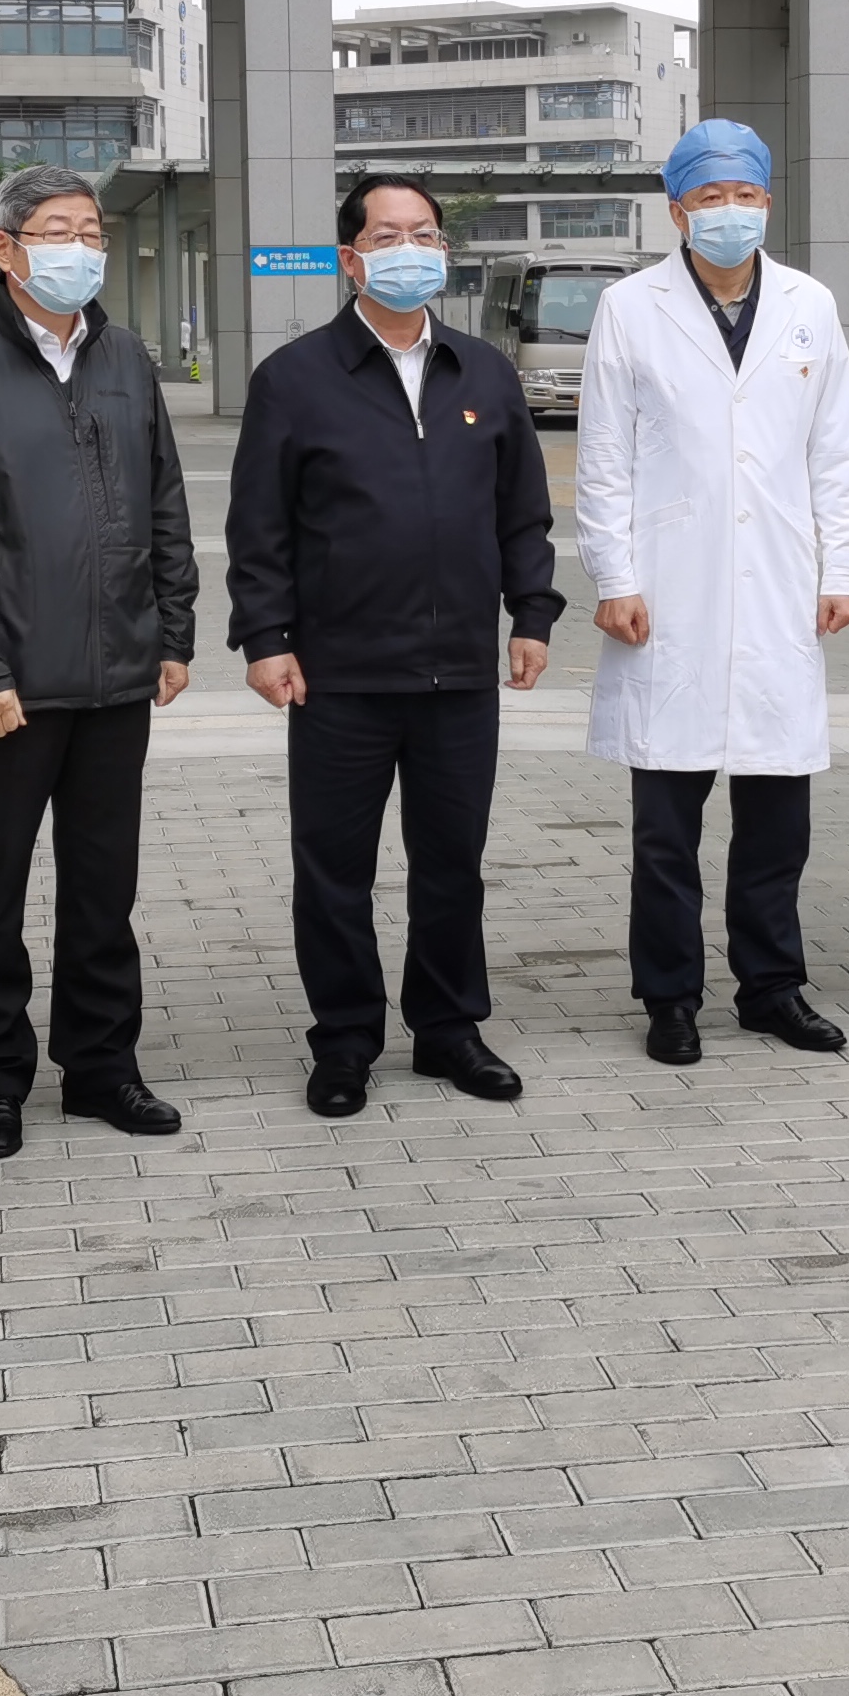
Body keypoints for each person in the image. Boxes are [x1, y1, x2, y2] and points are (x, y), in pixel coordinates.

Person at [224, 177, 563, 1115]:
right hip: (338, 675)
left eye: (424, 235)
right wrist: (265, 638)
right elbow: (260, 527)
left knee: (452, 864)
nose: (408, 250)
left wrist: (532, 616)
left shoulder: (483, 373)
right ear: (351, 258)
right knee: (334, 870)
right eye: (386, 236)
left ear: (443, 251)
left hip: (460, 673)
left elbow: (523, 511)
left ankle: (450, 1030)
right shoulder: (295, 378)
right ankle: (344, 1040)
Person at [0, 164, 199, 1157]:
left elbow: (164, 500)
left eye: (92, 233)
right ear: (7, 248)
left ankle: (103, 1068)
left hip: (120, 672)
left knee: (104, 887)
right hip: (9, 681)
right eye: (59, 231)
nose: (81, 249)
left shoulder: (125, 358)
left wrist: (175, 630)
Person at [575, 119, 849, 1063]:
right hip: (668, 591)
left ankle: (771, 987)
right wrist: (614, 575)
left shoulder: (809, 305)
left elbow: (837, 449)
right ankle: (669, 997)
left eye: (745, 195)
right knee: (667, 824)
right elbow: (603, 456)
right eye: (711, 198)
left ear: (768, 202)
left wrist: (844, 570)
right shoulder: (630, 307)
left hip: (781, 585)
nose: (730, 211)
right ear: (677, 211)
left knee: (777, 818)